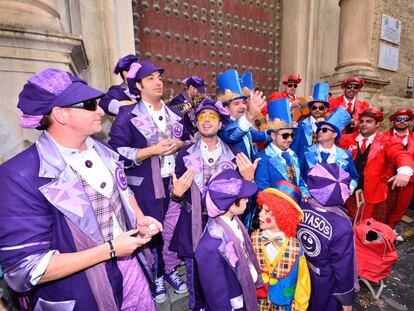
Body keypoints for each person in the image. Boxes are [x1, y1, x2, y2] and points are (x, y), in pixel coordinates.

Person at [0, 68, 162, 310]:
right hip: (82, 292)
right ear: (60, 115)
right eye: (89, 104)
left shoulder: (105, 152)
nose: (99, 110)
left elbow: (124, 192)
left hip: (131, 271)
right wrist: (109, 250)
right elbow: (25, 269)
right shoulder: (20, 174)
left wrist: (138, 219)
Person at [108, 60, 188, 303]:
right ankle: (155, 276)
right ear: (139, 85)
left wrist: (180, 143)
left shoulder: (174, 113)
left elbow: (186, 140)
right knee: (151, 230)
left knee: (172, 228)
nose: (158, 82)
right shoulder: (127, 114)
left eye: (160, 77)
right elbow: (115, 152)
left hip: (174, 182)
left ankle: (169, 270)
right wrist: (150, 150)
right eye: (151, 78)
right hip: (144, 186)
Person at [169, 98, 259, 310]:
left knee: (224, 275)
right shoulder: (184, 153)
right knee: (194, 275)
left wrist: (249, 180)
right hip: (194, 224)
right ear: (197, 124)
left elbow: (243, 194)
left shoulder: (234, 153)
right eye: (201, 117)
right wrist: (175, 194)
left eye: (212, 117)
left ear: (220, 124)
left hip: (224, 226)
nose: (206, 120)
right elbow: (176, 188)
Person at [195, 169, 263, 311]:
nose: (247, 200)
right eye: (244, 197)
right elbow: (216, 295)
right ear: (231, 206)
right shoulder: (209, 246)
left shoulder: (234, 220)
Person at [338, 108, 413, 222]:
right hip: (348, 193)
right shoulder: (347, 139)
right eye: (362, 121)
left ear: (378, 123)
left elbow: (401, 154)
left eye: (368, 121)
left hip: (372, 196)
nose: (363, 124)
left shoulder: (388, 141)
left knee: (367, 231)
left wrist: (404, 171)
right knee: (346, 225)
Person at [298, 163, 356, 311]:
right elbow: (343, 267)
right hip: (325, 282)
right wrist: (346, 299)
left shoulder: (299, 208)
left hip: (299, 271)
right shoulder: (342, 225)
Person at [252, 181, 310, 311]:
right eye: (261, 209)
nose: (260, 214)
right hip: (258, 301)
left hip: (284, 303)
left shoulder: (296, 247)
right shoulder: (254, 238)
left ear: (282, 216)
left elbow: (303, 279)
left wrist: (300, 304)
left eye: (267, 212)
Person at [255, 98, 310, 201]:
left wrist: (304, 192)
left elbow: (299, 179)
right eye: (285, 135)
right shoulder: (262, 159)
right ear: (273, 135)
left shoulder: (293, 155)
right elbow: (262, 192)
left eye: (292, 135)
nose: (289, 139)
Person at [302, 107, 359, 192]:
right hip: (309, 200)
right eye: (319, 129)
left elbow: (354, 177)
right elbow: (298, 176)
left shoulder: (345, 155)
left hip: (334, 201)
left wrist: (350, 187)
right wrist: (303, 191)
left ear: (334, 135)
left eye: (324, 130)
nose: (320, 131)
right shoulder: (307, 151)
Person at [385, 109, 414, 228]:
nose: (402, 122)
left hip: (408, 180)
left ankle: (391, 230)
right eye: (398, 119)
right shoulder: (384, 137)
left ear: (410, 121)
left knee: (401, 207)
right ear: (393, 121)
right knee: (383, 208)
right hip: (386, 180)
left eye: (405, 119)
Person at [291, 82, 330, 165]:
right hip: (303, 167)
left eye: (321, 108)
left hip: (322, 167)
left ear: (326, 109)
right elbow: (293, 148)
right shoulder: (300, 125)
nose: (317, 110)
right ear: (310, 108)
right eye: (314, 107)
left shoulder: (329, 127)